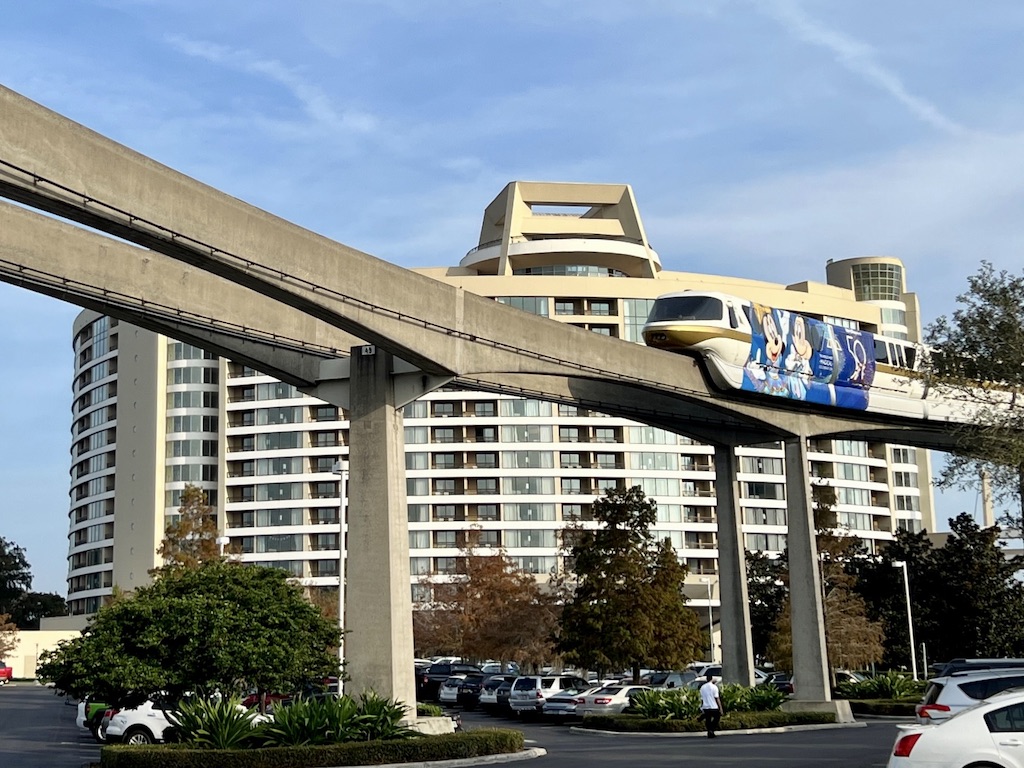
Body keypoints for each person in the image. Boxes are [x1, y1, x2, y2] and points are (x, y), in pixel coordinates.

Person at [699, 672, 723, 738]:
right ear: (711, 679)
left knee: (708, 720)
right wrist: (720, 708)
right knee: (717, 718)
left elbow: (701, 698)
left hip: (706, 707)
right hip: (713, 706)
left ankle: (709, 731)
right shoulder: (714, 687)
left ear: (706, 679)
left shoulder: (702, 687)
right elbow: (717, 698)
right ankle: (711, 730)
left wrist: (701, 707)